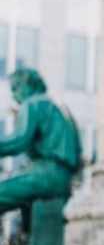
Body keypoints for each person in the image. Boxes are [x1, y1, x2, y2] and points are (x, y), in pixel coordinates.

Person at [0, 67, 82, 216]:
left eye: (15, 88)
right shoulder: (57, 105)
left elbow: (18, 141)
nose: (14, 96)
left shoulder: (32, 103)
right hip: (64, 177)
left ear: (28, 84)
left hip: (46, 174)